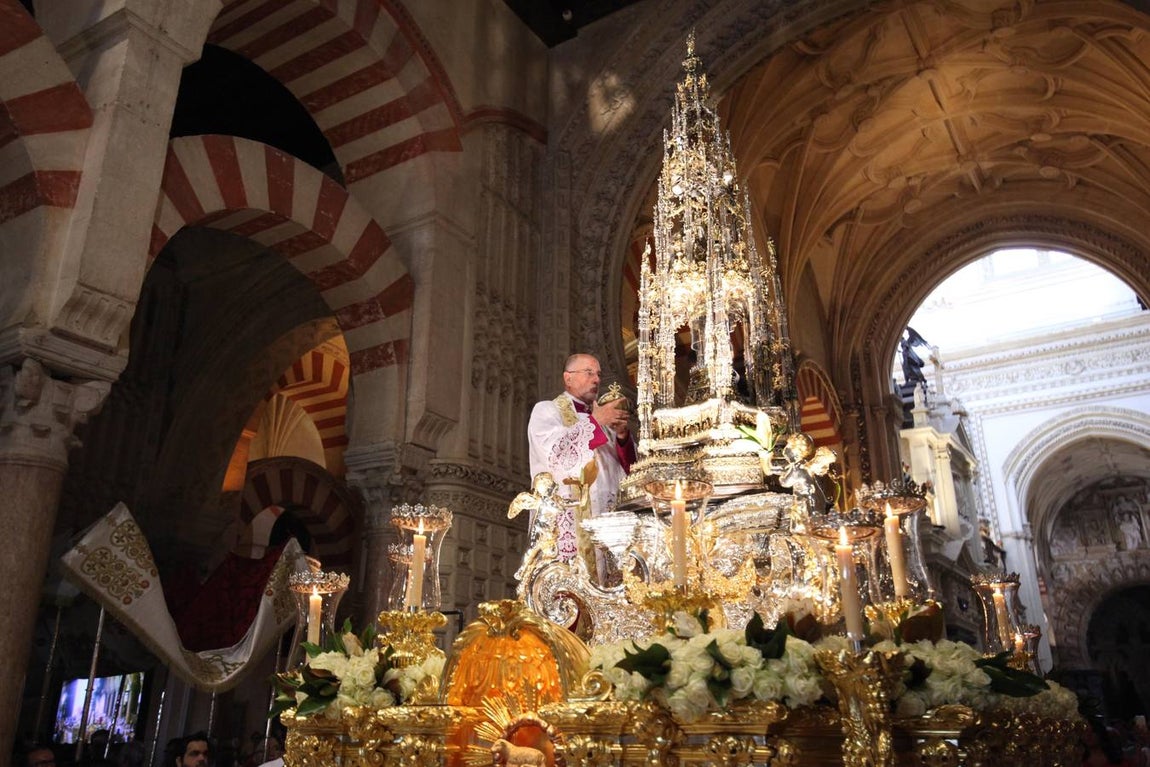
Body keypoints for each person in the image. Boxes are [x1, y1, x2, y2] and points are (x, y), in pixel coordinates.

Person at [527, 353, 636, 564]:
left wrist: (622, 436)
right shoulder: (547, 410)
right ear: (568, 378)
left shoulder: (604, 420)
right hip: (567, 523)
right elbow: (557, 456)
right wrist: (595, 422)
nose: (596, 379)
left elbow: (629, 471)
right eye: (588, 373)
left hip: (606, 524)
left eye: (598, 374)